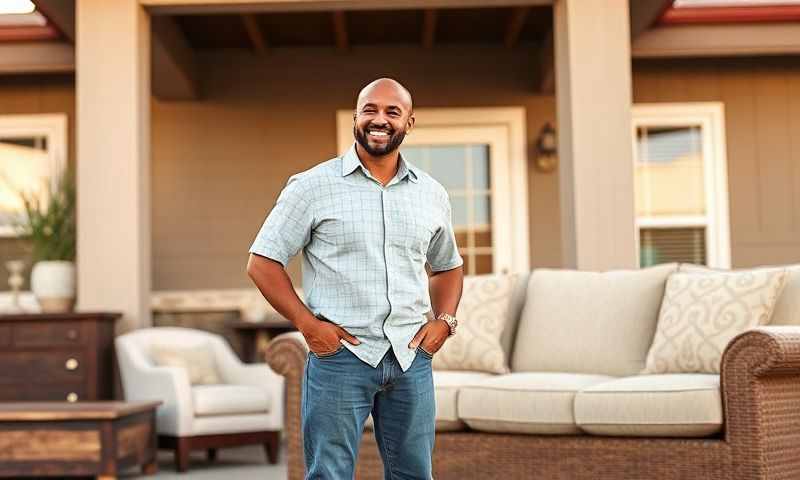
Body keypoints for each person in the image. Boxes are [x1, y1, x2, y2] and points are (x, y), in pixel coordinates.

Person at [246, 77, 464, 479]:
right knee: (328, 473)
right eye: (370, 110)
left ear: (409, 123)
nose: (379, 119)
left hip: (410, 356)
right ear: (356, 118)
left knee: (415, 473)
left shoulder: (431, 194)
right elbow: (262, 262)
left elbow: (448, 265)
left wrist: (444, 322)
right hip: (340, 357)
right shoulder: (312, 186)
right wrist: (308, 325)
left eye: (392, 111)